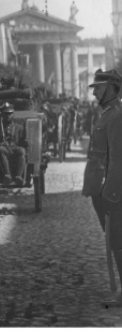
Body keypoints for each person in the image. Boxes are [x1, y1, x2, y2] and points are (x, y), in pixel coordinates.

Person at [82, 68, 122, 307]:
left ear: (111, 88)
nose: (94, 91)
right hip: (100, 187)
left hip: (110, 191)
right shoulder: (107, 114)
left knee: (119, 239)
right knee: (114, 239)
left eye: (98, 87)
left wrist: (112, 192)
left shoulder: (116, 115)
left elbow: (118, 157)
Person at [0, 102, 27, 186]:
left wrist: (25, 143)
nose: (8, 116)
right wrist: (0, 143)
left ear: (13, 114)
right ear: (2, 115)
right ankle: (7, 176)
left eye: (10, 113)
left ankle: (18, 177)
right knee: (0, 150)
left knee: (22, 150)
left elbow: (22, 141)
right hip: (3, 150)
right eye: (5, 114)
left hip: (14, 149)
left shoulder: (19, 128)